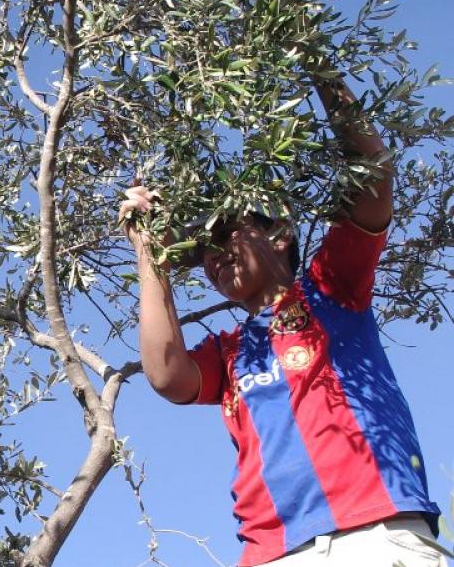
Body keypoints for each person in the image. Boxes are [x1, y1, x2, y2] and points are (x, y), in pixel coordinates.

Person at [121, 77, 449, 566]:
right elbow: (168, 374)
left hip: (376, 534)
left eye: (226, 237)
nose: (214, 258)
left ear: (279, 233)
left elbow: (374, 181)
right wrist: (150, 256)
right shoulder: (229, 354)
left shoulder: (331, 290)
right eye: (205, 254)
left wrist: (316, 64)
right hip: (273, 553)